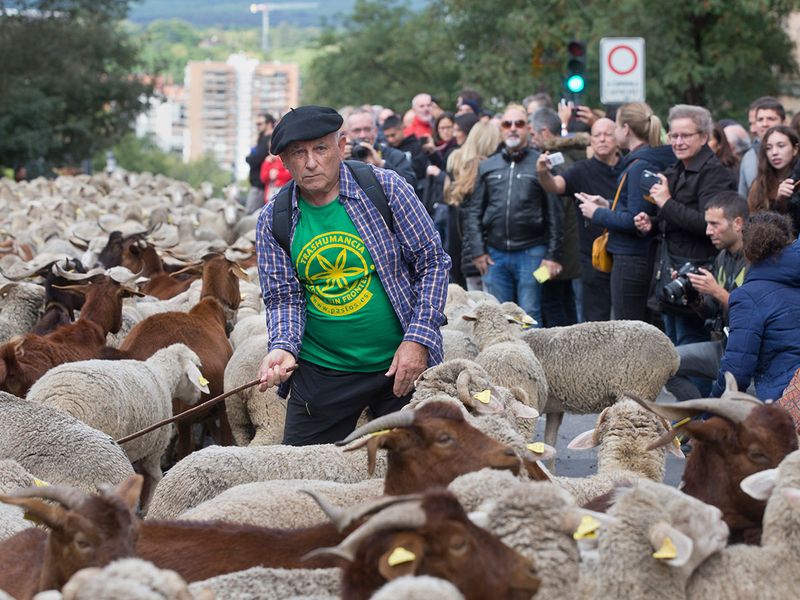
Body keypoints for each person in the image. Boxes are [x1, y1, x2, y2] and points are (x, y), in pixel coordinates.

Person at [255, 106, 450, 445]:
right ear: (284, 162)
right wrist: (284, 346)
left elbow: (432, 261)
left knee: (420, 464)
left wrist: (418, 339)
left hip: (400, 362)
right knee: (302, 471)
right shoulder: (275, 219)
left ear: (341, 147)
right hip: (322, 372)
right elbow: (283, 297)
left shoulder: (385, 189)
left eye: (321, 148)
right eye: (298, 153)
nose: (311, 162)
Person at [637, 104, 737, 347]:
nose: (678, 142)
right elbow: (674, 219)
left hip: (697, 273)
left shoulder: (715, 174)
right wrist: (652, 223)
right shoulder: (676, 168)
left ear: (704, 137)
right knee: (672, 347)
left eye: (685, 135)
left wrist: (666, 203)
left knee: (690, 350)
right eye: (673, 135)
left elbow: (708, 225)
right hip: (670, 269)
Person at [461, 103, 564, 322]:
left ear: (528, 129)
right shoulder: (488, 166)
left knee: (529, 315)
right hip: (494, 254)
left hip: (532, 252)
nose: (513, 128)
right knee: (499, 317)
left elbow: (555, 213)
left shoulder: (540, 164)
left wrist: (553, 256)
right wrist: (477, 251)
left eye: (519, 123)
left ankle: (528, 347)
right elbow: (474, 211)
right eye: (508, 124)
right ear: (501, 129)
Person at [578, 102, 674, 321]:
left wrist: (597, 213)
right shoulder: (645, 160)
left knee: (628, 326)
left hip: (631, 257)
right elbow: (639, 207)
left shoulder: (640, 165)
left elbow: (635, 220)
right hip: (637, 255)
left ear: (626, 129)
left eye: (615, 127)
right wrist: (607, 204)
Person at [665, 191, 748, 401]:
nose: (708, 231)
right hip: (724, 346)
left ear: (738, 223)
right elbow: (712, 313)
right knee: (663, 364)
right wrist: (696, 298)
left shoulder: (756, 259)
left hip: (749, 356)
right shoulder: (722, 256)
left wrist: (717, 291)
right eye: (707, 224)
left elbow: (755, 314)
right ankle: (698, 416)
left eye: (714, 224)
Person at [537, 117, 621, 322]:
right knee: (594, 319)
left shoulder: (629, 167)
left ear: (618, 137)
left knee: (625, 318)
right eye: (597, 135)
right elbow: (554, 185)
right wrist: (542, 172)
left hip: (625, 255)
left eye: (607, 134)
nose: (602, 139)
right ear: (591, 140)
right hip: (591, 258)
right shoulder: (581, 169)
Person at [711, 211, 800, 400]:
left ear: (747, 249)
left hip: (783, 400)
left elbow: (736, 372)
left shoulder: (747, 296)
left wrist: (710, 411)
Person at [530, 107, 586, 326]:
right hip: (569, 251)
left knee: (550, 301)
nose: (532, 140)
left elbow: (558, 211)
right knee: (566, 300)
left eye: (533, 134)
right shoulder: (574, 156)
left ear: (544, 132)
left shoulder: (551, 163)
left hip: (557, 252)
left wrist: (553, 254)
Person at [444, 121, 503, 290]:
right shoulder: (490, 170)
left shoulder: (456, 163)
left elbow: (447, 196)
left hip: (462, 249)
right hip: (487, 252)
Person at [343, 108, 416, 188]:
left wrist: (382, 164)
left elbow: (412, 184)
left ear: (375, 131)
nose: (362, 135)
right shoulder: (342, 156)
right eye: (356, 130)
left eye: (367, 129)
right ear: (347, 133)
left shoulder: (393, 155)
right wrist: (340, 162)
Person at [749, 125, 800, 235]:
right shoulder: (759, 185)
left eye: (781, 146)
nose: (774, 152)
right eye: (768, 148)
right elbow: (756, 226)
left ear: (795, 149)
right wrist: (779, 202)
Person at [738, 97, 785, 198]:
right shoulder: (749, 157)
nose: (765, 124)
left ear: (783, 122)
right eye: (760, 120)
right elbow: (743, 196)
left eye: (771, 119)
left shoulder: (794, 152)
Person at [382, 115, 430, 187]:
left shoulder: (416, 146)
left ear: (401, 128)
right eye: (387, 136)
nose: (390, 139)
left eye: (393, 135)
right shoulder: (386, 150)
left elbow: (420, 171)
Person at [245, 113, 275, 214]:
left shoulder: (270, 139)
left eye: (260, 124)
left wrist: (249, 158)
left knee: (251, 214)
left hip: (261, 187)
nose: (257, 126)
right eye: (256, 124)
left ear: (269, 124)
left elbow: (256, 159)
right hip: (258, 185)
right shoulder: (261, 139)